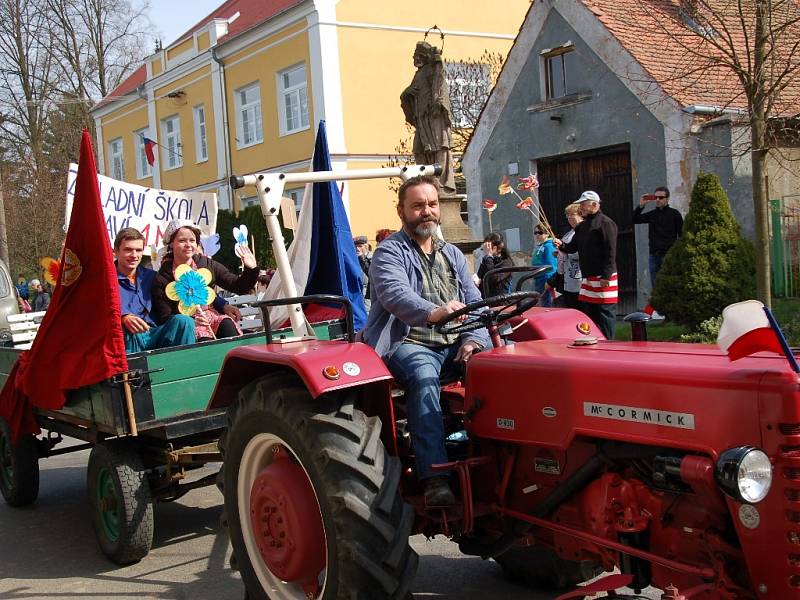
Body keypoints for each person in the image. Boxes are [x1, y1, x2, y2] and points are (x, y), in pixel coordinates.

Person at [363, 176, 490, 507]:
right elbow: (396, 296)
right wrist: (435, 312)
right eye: (417, 206)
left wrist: (473, 340)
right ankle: (434, 476)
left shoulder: (452, 254)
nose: (426, 212)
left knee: (499, 367)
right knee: (423, 376)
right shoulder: (389, 252)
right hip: (408, 341)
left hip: (453, 341)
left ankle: (495, 459)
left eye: (431, 204)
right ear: (402, 211)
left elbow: (475, 299)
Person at [151, 219, 258, 341]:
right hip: (188, 327)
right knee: (204, 341)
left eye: (192, 240)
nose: (188, 245)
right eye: (182, 241)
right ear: (171, 243)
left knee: (227, 326)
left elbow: (239, 286)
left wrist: (251, 269)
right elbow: (165, 316)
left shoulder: (206, 264)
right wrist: (192, 321)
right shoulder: (162, 276)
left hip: (213, 316)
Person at [114, 227, 195, 353]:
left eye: (138, 250)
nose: (134, 255)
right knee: (126, 330)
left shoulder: (152, 276)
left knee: (184, 321)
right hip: (126, 337)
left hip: (154, 333)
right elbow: (97, 308)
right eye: (128, 250)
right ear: (116, 251)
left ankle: (186, 369)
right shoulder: (106, 280)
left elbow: (188, 288)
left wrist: (222, 305)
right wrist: (122, 317)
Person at [555, 191, 618, 339]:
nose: (581, 207)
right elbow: (572, 248)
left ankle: (609, 342)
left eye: (584, 204)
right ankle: (595, 339)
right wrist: (561, 245)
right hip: (588, 277)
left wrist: (607, 275)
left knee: (605, 312)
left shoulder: (606, 223)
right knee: (590, 311)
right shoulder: (582, 227)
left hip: (603, 276)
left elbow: (611, 252)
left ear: (594, 204)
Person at [400, 41, 456, 195]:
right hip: (421, 119)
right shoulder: (418, 74)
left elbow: (438, 83)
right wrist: (406, 94)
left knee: (440, 146)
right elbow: (410, 95)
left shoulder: (432, 70)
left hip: (433, 116)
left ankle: (442, 183)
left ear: (423, 56)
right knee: (419, 150)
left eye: (417, 55)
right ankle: (426, 180)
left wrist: (438, 102)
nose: (414, 59)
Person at [633, 186, 683, 318]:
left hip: (669, 254)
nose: (658, 200)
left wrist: (677, 253)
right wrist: (641, 206)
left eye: (661, 198)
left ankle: (673, 313)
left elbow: (682, 235)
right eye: (656, 197)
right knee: (656, 285)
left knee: (670, 283)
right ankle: (663, 313)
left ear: (667, 199)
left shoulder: (674, 214)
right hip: (654, 255)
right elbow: (635, 219)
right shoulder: (652, 215)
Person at [553, 203, 584, 310]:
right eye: (568, 215)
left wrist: (564, 251)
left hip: (578, 276)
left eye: (572, 214)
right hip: (567, 278)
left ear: (581, 215)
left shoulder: (583, 232)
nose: (569, 218)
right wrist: (559, 253)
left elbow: (581, 252)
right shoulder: (569, 233)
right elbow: (565, 249)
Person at [475, 232, 514, 298]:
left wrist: (489, 256)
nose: (486, 250)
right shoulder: (487, 259)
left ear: (495, 248)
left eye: (488, 247)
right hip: (486, 301)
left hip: (500, 301)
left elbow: (494, 278)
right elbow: (480, 277)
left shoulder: (506, 262)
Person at [531, 226, 558, 307]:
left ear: (547, 233)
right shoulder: (539, 246)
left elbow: (552, 265)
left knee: (547, 305)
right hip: (539, 279)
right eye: (535, 233)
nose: (537, 235)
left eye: (540, 232)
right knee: (542, 304)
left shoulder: (549, 246)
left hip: (546, 280)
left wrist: (550, 281)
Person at [354, 236, 371, 308]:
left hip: (368, 297)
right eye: (355, 246)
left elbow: (371, 274)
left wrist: (362, 259)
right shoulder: (355, 259)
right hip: (357, 295)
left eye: (360, 246)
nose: (357, 249)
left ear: (366, 246)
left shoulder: (373, 258)